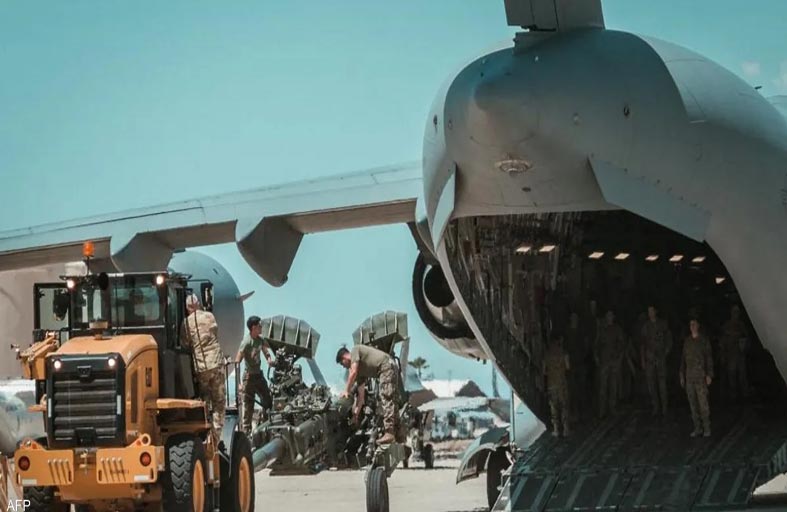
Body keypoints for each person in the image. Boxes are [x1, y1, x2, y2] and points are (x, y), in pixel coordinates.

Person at [181, 294, 226, 444]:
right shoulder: (209, 316)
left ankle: (205, 432)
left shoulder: (186, 323)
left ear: (187, 308)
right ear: (198, 304)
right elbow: (215, 332)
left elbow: (185, 344)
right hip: (216, 364)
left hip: (201, 367)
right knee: (219, 402)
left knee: (205, 400)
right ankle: (215, 438)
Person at [336, 344, 399, 445]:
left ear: (344, 358)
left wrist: (346, 390)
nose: (344, 367)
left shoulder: (355, 350)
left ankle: (389, 433)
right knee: (392, 401)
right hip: (390, 366)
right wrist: (356, 415)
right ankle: (399, 434)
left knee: (386, 398)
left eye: (342, 364)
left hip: (386, 366)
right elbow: (361, 398)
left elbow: (353, 372)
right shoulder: (360, 373)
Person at [235, 315, 274, 435]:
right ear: (253, 328)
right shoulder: (246, 342)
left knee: (267, 401)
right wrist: (239, 383)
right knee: (248, 407)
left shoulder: (260, 340)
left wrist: (269, 359)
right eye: (259, 326)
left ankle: (266, 427)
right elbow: (237, 362)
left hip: (258, 375)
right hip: (249, 378)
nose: (261, 328)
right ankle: (247, 434)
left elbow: (265, 350)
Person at [680, 318, 714, 437]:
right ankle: (697, 428)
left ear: (698, 326)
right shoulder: (687, 341)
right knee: (693, 404)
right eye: (691, 324)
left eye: (694, 324)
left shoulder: (703, 341)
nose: (692, 326)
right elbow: (683, 360)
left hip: (700, 377)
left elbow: (709, 358)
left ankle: (706, 427)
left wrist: (709, 374)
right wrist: (681, 375)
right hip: (689, 377)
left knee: (703, 404)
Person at [640, 306, 673, 416]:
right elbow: (642, 344)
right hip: (650, 359)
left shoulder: (663, 324)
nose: (650, 313)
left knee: (662, 384)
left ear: (655, 312)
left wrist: (666, 351)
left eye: (652, 311)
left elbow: (669, 338)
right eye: (648, 311)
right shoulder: (645, 326)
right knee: (651, 384)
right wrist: (643, 359)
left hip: (660, 358)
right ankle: (655, 406)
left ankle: (664, 407)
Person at [595, 310, 625, 418]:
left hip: (614, 360)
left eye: (611, 315)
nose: (609, 317)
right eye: (608, 315)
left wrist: (618, 356)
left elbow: (622, 343)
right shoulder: (601, 329)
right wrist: (596, 356)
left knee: (613, 386)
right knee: (603, 387)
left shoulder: (617, 329)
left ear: (613, 317)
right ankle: (602, 410)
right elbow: (597, 344)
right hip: (604, 361)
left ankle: (612, 408)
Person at [719, 305, 750, 401]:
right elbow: (722, 340)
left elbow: (747, 337)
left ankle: (745, 395)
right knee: (731, 375)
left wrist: (745, 347)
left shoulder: (741, 325)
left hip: (740, 354)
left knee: (742, 375)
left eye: (737, 311)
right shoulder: (727, 325)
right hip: (730, 355)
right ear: (731, 312)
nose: (736, 313)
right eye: (734, 311)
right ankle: (733, 396)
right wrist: (723, 354)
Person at [544, 335, 571, 437]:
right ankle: (565, 429)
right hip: (562, 383)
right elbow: (568, 367)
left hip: (551, 384)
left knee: (554, 408)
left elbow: (544, 371)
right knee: (564, 406)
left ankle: (556, 429)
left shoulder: (547, 355)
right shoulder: (564, 353)